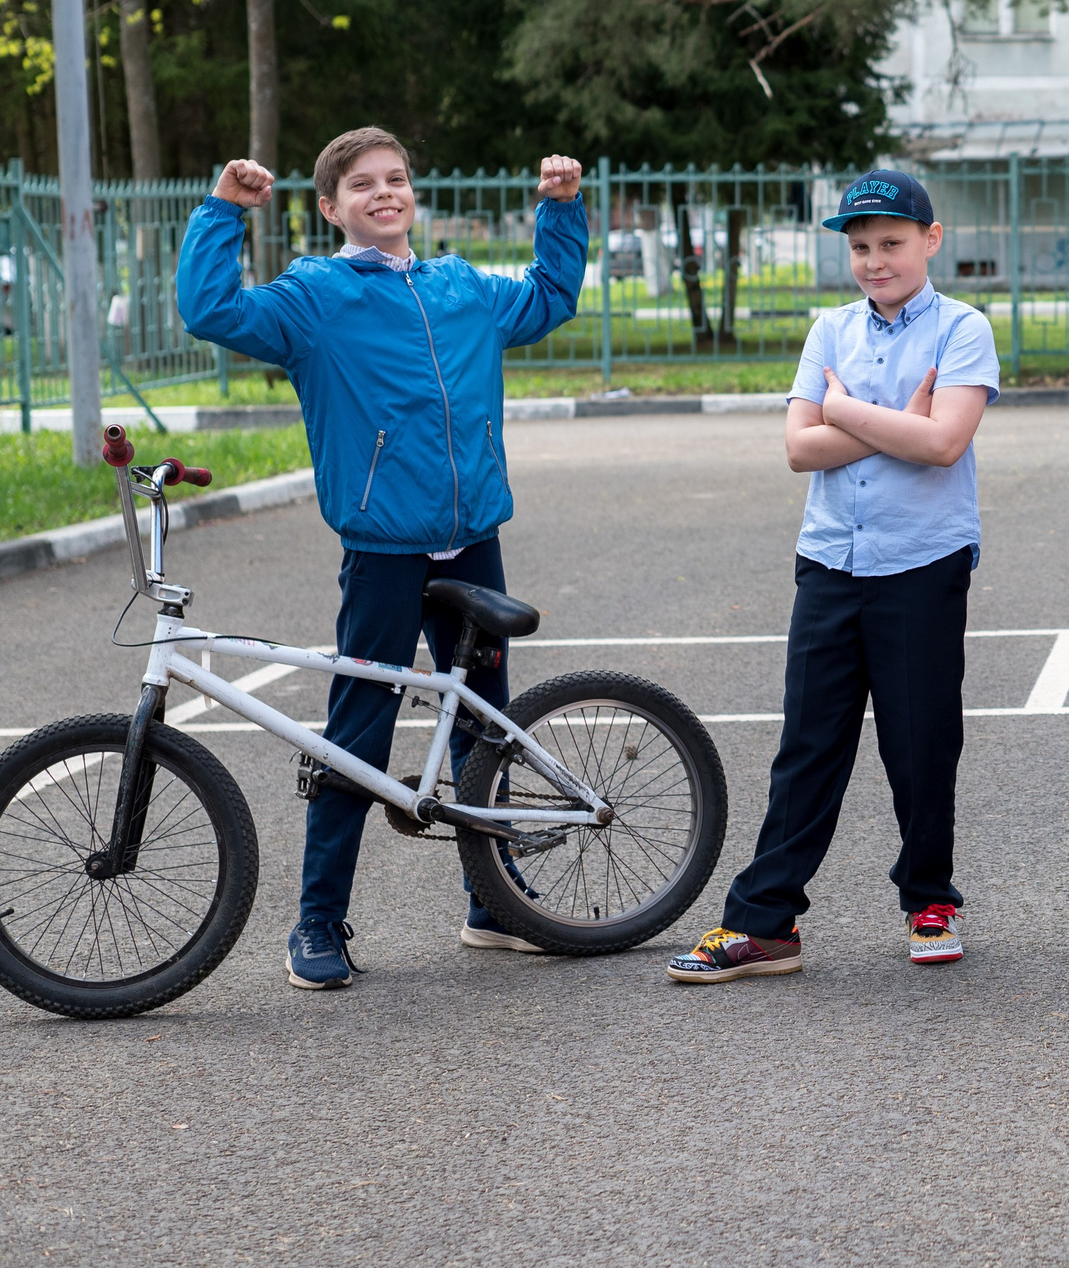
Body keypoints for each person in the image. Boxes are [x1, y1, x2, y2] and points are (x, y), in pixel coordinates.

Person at [177, 128, 588, 990]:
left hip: (473, 540)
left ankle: (494, 904)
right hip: (383, 551)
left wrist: (560, 209)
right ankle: (318, 922)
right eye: (362, 184)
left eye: (395, 179)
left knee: (485, 722)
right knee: (358, 734)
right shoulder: (314, 297)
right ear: (331, 207)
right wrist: (223, 212)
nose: (384, 193)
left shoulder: (462, 286)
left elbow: (550, 298)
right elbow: (210, 312)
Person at [666, 170, 999, 982]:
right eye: (859, 247)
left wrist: (842, 410)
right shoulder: (830, 329)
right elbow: (797, 448)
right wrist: (893, 420)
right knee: (808, 744)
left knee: (920, 743)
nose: (875, 260)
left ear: (931, 239)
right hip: (829, 562)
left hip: (921, 563)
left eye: (891, 242)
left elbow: (942, 443)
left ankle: (930, 899)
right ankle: (765, 923)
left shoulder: (963, 328)